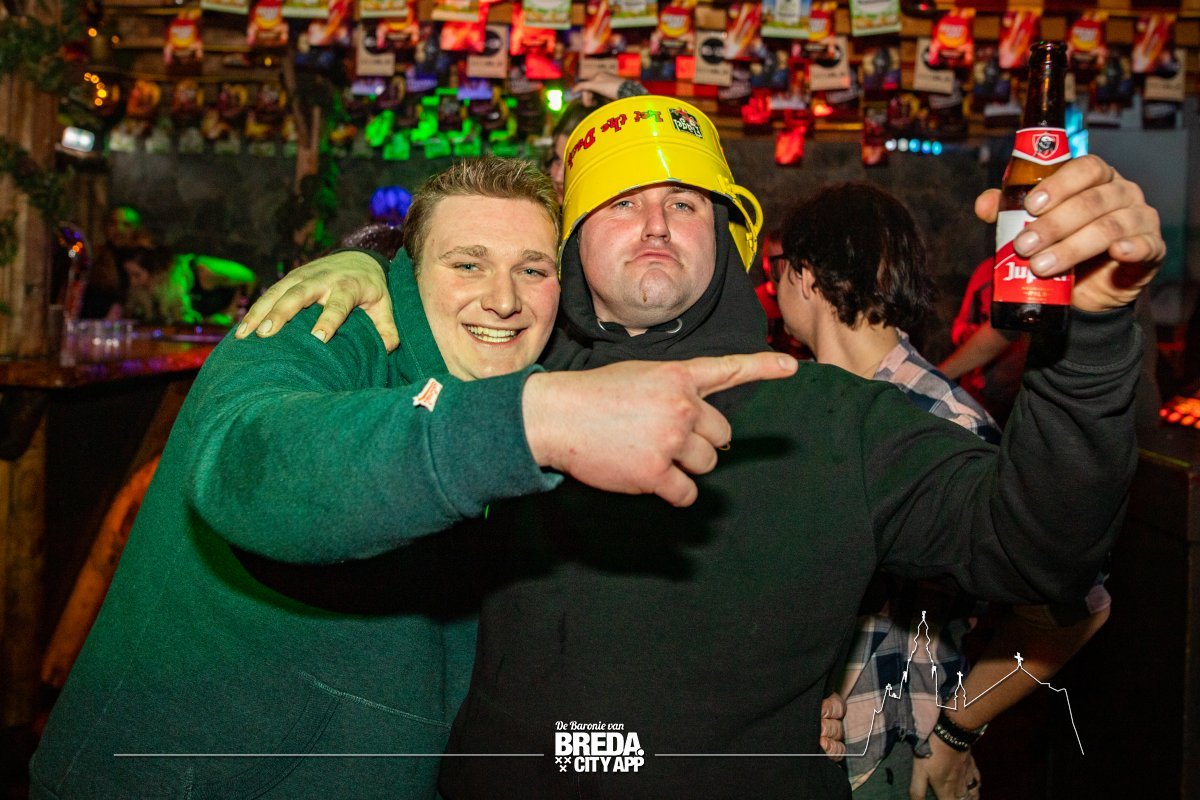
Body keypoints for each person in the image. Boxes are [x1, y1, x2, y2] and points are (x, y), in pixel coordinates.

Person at [244, 95, 1162, 799]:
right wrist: (374, 270)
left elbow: (1043, 548)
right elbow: (291, 461)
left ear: (727, 238)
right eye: (621, 203)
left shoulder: (837, 419)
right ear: (570, 248)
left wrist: (1092, 333)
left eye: (682, 203)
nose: (654, 223)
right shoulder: (504, 392)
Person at [30, 157, 794, 800]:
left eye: (532, 269)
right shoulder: (326, 329)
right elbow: (247, 467)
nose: (503, 299)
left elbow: (547, 691)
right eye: (467, 264)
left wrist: (781, 722)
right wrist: (529, 420)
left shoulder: (538, 392)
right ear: (407, 270)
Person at [772, 182, 1110, 800]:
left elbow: (1078, 605)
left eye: (779, 266)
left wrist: (958, 730)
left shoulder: (942, 421)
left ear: (807, 276)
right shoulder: (810, 401)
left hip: (892, 757)